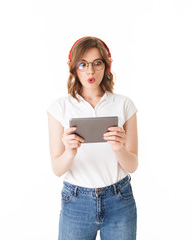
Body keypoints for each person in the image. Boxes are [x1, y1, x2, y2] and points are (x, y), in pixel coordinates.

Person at [47, 36, 138, 240]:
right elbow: (57, 169)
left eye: (97, 63)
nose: (90, 71)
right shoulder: (59, 108)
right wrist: (70, 151)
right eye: (83, 64)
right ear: (73, 67)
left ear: (107, 65)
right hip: (76, 201)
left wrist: (118, 148)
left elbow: (132, 165)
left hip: (119, 199)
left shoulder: (124, 105)